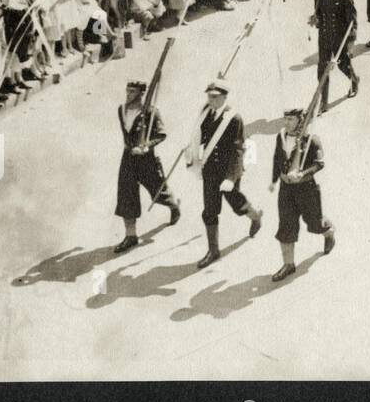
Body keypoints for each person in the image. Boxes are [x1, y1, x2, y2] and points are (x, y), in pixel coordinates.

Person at [187, 80, 262, 269]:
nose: (211, 100)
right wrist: (191, 150)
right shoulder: (206, 114)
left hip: (228, 168)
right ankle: (213, 250)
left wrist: (230, 177)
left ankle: (255, 216)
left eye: (215, 97)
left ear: (224, 97)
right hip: (211, 169)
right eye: (209, 97)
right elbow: (202, 137)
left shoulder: (233, 118)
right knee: (210, 210)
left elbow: (237, 149)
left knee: (237, 205)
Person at [269, 108, 336, 282]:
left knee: (315, 223)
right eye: (285, 119)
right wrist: (274, 179)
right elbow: (277, 158)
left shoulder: (312, 140)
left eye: (291, 119)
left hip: (306, 190)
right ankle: (288, 265)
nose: (287, 123)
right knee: (286, 226)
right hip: (286, 190)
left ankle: (328, 232)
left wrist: (303, 174)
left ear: (300, 120)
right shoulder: (281, 137)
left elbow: (319, 164)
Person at [112, 79, 180, 253]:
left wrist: (147, 146)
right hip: (128, 158)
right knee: (126, 196)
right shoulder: (122, 110)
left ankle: (174, 205)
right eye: (127, 91)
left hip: (146, 159)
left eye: (132, 92)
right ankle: (131, 236)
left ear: (141, 94)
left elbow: (162, 134)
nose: (128, 95)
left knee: (159, 192)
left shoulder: (151, 112)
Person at [311, 0, 359, 109]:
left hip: (340, 39)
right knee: (322, 70)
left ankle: (354, 80)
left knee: (343, 65)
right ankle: (323, 102)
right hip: (324, 38)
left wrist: (351, 41)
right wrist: (315, 20)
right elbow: (318, 15)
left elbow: (352, 21)